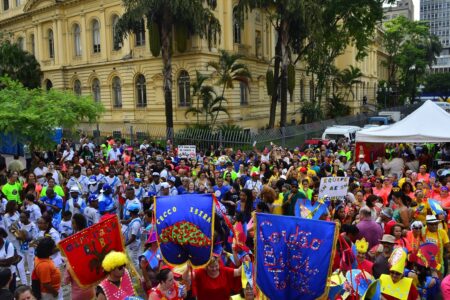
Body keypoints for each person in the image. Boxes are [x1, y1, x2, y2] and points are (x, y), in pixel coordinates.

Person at [63, 214, 94, 300]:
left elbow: (65, 281)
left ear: (77, 224)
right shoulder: (87, 234)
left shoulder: (76, 238)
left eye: (73, 223)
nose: (71, 225)